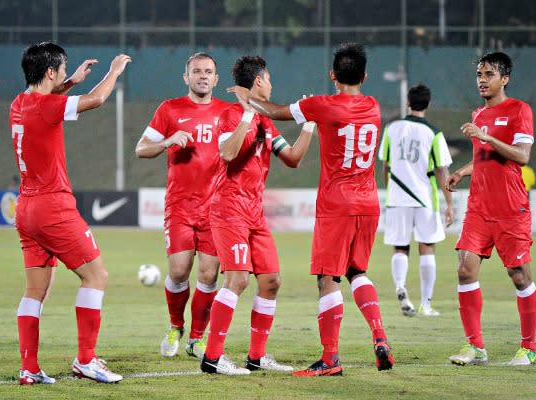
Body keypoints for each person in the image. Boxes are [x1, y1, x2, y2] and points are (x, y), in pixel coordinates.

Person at [229, 42, 395, 376]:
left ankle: (330, 358)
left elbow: (275, 112)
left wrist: (248, 99)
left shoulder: (323, 105)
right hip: (369, 202)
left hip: (337, 204)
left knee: (327, 278)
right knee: (356, 271)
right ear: (365, 75)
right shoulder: (374, 106)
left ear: (333, 75)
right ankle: (379, 337)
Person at [10, 42, 131, 385]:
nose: (65, 72)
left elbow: (48, 98)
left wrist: (72, 82)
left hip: (26, 209)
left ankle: (29, 367)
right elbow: (98, 100)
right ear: (50, 72)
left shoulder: (19, 103)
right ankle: (86, 360)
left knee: (35, 291)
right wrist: (114, 72)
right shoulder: (47, 106)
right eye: (62, 69)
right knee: (97, 276)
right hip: (52, 207)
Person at [200, 55, 315, 376]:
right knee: (237, 279)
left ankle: (256, 356)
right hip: (229, 210)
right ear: (260, 82)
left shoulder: (267, 121)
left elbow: (292, 159)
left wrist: (308, 126)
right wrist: (247, 116)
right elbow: (227, 152)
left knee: (271, 281)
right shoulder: (229, 114)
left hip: (254, 214)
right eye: (270, 79)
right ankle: (212, 357)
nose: (272, 85)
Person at [135, 53, 230, 360]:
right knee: (178, 272)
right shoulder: (169, 109)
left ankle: (197, 339)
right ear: (186, 77)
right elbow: (141, 149)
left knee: (208, 275)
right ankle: (176, 326)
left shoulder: (227, 113)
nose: (203, 76)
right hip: (180, 207)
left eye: (209, 72)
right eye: (197, 71)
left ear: (216, 79)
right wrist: (167, 141)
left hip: (216, 208)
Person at [446, 52, 536, 366]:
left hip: (511, 208)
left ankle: (528, 348)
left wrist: (486, 136)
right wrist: (462, 171)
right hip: (478, 207)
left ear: (505, 78)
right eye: (479, 75)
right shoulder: (477, 114)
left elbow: (522, 156)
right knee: (464, 269)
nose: (482, 80)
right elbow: (485, 158)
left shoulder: (519, 110)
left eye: (489, 74)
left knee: (519, 276)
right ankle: (475, 346)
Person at [377, 83, 454, 318]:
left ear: (408, 102)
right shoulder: (433, 132)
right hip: (424, 197)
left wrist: (390, 189)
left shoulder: (391, 128)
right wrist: (449, 203)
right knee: (427, 247)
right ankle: (426, 304)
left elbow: (386, 165)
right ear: (428, 104)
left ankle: (401, 286)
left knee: (400, 247)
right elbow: (442, 170)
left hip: (397, 197)